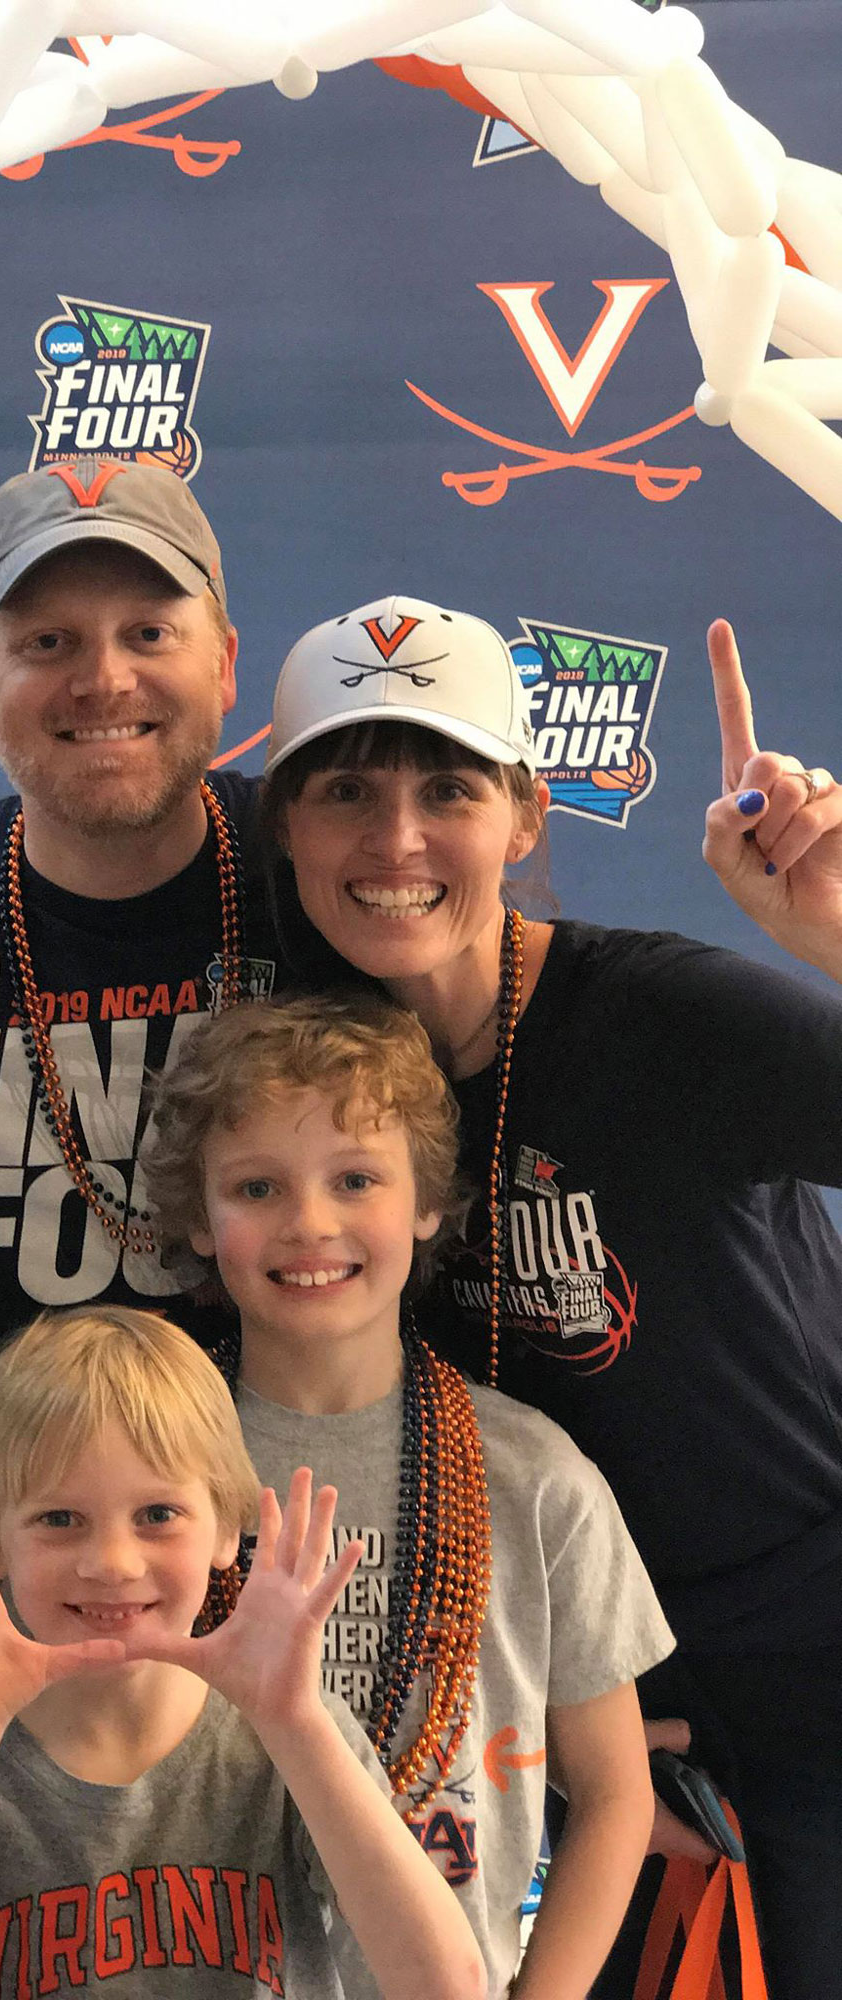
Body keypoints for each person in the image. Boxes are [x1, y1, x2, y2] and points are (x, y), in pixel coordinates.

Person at [258, 592, 842, 1997]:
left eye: (446, 787)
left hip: (811, 1669)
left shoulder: (667, 1019)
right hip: (555, 1706)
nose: (396, 841)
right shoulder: (294, 1087)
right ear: (284, 830)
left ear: (525, 816)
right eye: (346, 790)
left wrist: (834, 936)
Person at [0, 460, 288, 1621]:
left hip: (314, 1585)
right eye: (47, 643)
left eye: (149, 630)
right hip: (19, 1616)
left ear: (224, 664)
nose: (104, 678)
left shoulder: (320, 872)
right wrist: (13, 1455)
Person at [143, 993, 674, 1998]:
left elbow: (613, 1792)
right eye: (257, 1184)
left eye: (356, 1178)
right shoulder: (140, 1463)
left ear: (428, 1201)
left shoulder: (534, 1475)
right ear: (200, 1220)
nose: (310, 1222)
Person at [0, 1305, 487, 2000]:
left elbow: (446, 1986)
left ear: (228, 1523)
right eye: (59, 1519)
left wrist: (297, 1726)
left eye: (157, 1515)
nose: (112, 1561)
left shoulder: (287, 1740)